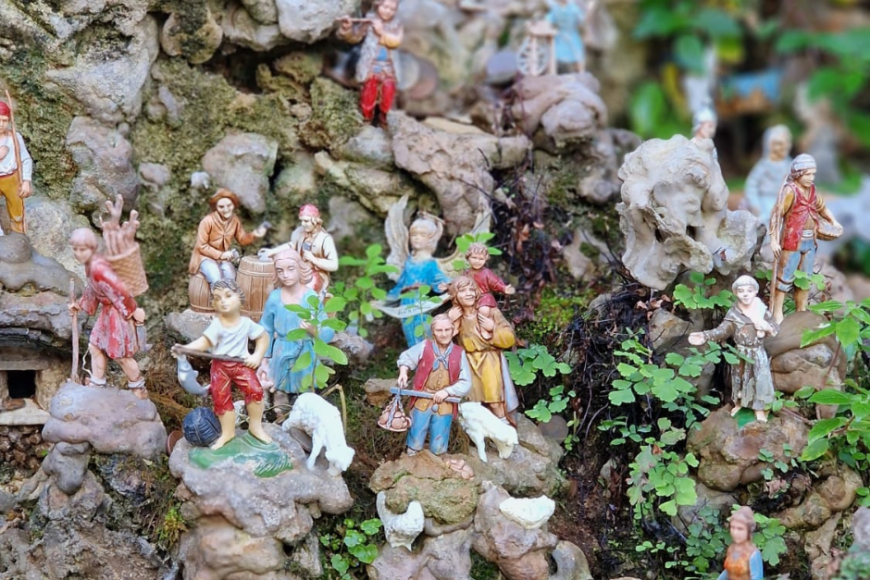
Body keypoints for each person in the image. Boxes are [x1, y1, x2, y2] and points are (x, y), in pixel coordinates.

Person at [172, 280, 271, 450]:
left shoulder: (246, 323)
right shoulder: (217, 324)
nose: (223, 301)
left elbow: (263, 337)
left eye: (228, 296)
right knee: (220, 398)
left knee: (255, 390)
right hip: (220, 367)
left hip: (241, 365)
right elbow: (204, 342)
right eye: (217, 298)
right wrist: (186, 348)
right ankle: (228, 432)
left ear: (240, 298)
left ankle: (255, 427)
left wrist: (257, 356)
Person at [68, 228, 148, 400]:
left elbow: (121, 291)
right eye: (75, 249)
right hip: (107, 313)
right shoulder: (90, 266)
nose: (78, 253)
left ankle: (138, 388)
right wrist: (80, 305)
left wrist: (133, 310)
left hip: (118, 314)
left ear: (92, 248)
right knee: (95, 346)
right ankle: (98, 382)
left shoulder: (100, 268)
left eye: (82, 249)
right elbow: (92, 290)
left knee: (121, 356)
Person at [689, 276, 778, 423]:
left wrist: (766, 326)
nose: (745, 294)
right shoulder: (733, 314)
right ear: (736, 293)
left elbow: (775, 328)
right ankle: (740, 403)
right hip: (740, 352)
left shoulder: (762, 311)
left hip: (757, 352)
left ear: (755, 292)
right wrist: (705, 336)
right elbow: (722, 331)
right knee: (739, 379)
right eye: (741, 291)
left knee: (759, 379)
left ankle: (759, 408)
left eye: (749, 290)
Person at [769, 154, 841, 323]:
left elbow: (822, 208)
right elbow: (776, 215)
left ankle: (801, 311)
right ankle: (777, 312)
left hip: (810, 241)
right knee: (785, 276)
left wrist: (834, 221)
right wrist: (773, 240)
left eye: (813, 174)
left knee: (805, 278)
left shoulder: (812, 190)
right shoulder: (790, 191)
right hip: (792, 242)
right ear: (798, 173)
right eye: (807, 174)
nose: (811, 178)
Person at [258, 247, 335, 406]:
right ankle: (280, 406)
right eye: (280, 271)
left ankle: (306, 404)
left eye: (290, 269)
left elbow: (327, 328)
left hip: (304, 350)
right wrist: (265, 358)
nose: (285, 275)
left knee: (306, 388)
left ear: (300, 268)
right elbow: (266, 328)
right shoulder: (275, 298)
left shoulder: (310, 297)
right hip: (281, 350)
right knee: (279, 387)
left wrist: (313, 330)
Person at [397, 314, 472, 456]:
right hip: (423, 400)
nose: (444, 334)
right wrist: (403, 372)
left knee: (439, 443)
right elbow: (407, 357)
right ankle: (411, 458)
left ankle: (437, 460)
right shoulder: (425, 346)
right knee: (416, 435)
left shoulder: (459, 353)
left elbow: (466, 382)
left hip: (445, 404)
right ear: (433, 332)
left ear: (453, 331)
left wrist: (447, 392)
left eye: (447, 330)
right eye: (439, 330)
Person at [448, 276, 519, 425]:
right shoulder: (455, 315)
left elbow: (509, 337)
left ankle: (505, 429)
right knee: (472, 401)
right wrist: (449, 320)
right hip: (467, 363)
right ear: (455, 295)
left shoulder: (489, 312)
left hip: (489, 361)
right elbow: (439, 341)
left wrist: (493, 328)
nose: (469, 293)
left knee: (494, 400)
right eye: (463, 290)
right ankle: (479, 430)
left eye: (471, 289)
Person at [386, 215, 451, 346]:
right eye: (414, 235)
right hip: (406, 303)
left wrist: (447, 285)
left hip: (420, 302)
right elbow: (400, 284)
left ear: (431, 239)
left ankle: (430, 356)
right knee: (410, 333)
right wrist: (385, 300)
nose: (417, 238)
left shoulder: (430, 264)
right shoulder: (409, 262)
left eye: (422, 235)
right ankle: (416, 357)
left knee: (422, 332)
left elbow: (439, 281)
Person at [337, 0, 403, 126]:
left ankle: (385, 120)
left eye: (392, 9)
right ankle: (366, 119)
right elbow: (355, 37)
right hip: (371, 66)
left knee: (388, 93)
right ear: (378, 6)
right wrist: (347, 28)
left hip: (389, 67)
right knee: (368, 93)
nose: (388, 11)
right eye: (385, 7)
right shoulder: (370, 20)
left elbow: (396, 41)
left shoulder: (396, 24)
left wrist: (381, 32)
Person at [188, 188, 267, 285]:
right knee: (216, 277)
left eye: (229, 205)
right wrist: (221, 254)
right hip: (205, 258)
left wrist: (254, 234)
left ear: (234, 204)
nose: (226, 210)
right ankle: (216, 294)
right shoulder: (207, 221)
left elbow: (242, 239)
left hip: (223, 259)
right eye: (221, 207)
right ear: (216, 207)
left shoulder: (234, 220)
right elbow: (201, 246)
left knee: (230, 276)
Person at [259, 205, 338, 296]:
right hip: (298, 270)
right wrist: (272, 251)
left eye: (306, 221)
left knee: (305, 291)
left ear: (315, 221)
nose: (303, 224)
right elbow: (291, 245)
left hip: (315, 275)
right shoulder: (301, 233)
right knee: (278, 281)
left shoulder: (325, 239)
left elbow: (333, 265)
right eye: (302, 221)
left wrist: (314, 259)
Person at [743, 125, 793, 225]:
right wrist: (754, 203)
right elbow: (752, 184)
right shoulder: (764, 165)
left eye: (786, 142)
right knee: (768, 219)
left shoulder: (790, 164)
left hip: (785, 200)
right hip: (766, 200)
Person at [0, 100, 33, 234]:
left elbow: (25, 159)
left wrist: (26, 181)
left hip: (11, 179)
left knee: (17, 212)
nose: (1, 124)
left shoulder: (14, 137)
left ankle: (19, 237)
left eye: (4, 120)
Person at [461, 242, 515, 324]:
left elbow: (495, 282)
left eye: (481, 259)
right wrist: (448, 287)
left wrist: (504, 288)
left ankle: (485, 327)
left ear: (485, 259)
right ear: (468, 257)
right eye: (474, 257)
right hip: (470, 297)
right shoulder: (467, 273)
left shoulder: (487, 272)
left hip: (484, 297)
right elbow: (459, 283)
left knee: (484, 310)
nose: (477, 261)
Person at [717, 506, 764, 580]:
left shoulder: (753, 554)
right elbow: (728, 572)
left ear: (748, 530)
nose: (735, 533)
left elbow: (757, 577)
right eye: (733, 527)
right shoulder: (732, 549)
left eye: (740, 529)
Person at [545, 0, 590, 73]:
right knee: (577, 56)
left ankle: (580, 71)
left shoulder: (557, 9)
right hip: (570, 36)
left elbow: (548, 20)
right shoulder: (573, 8)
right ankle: (580, 71)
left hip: (561, 36)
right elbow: (581, 21)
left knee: (575, 57)